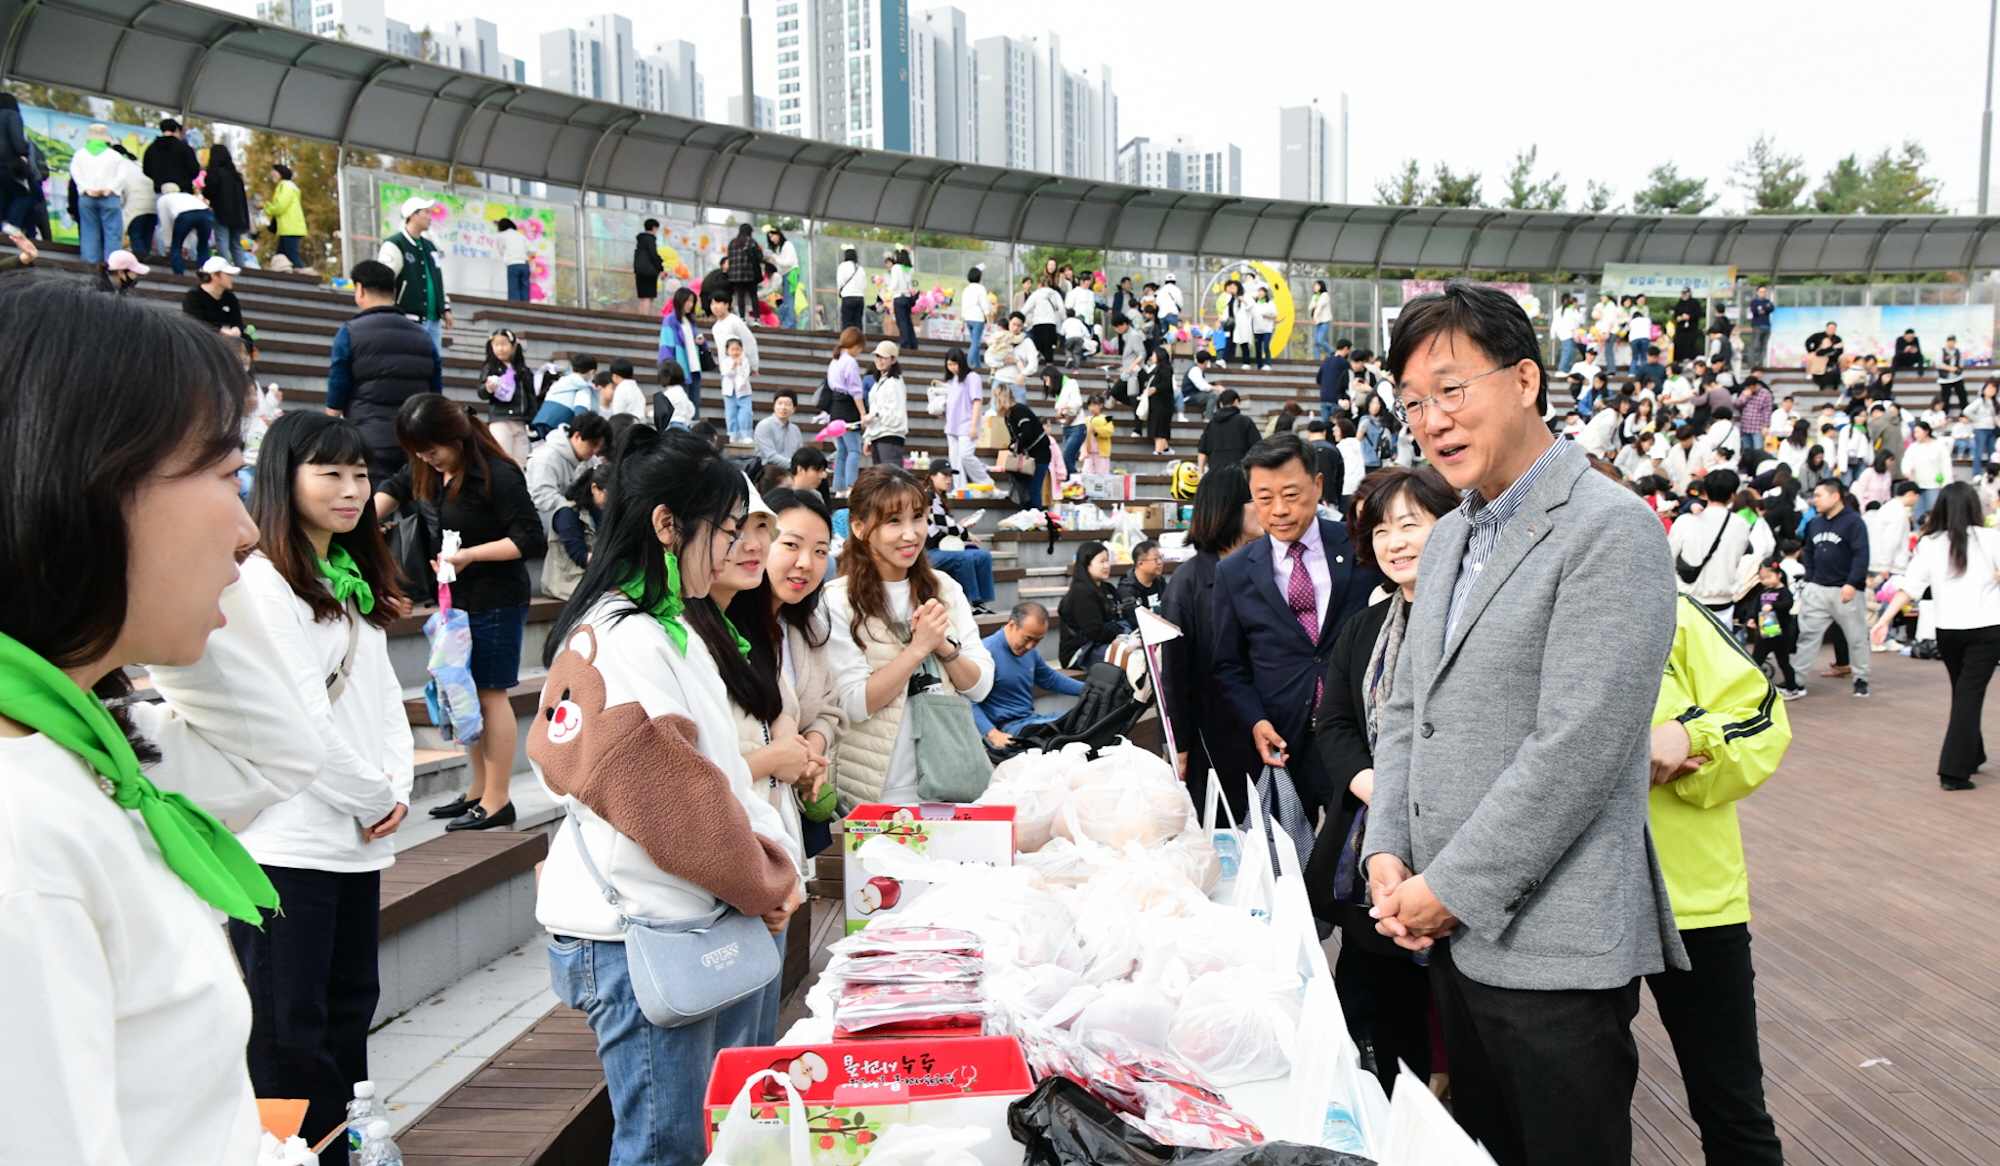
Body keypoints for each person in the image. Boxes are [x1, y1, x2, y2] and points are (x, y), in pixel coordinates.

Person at [0, 272, 335, 1165]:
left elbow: (273, 747)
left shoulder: (74, 756)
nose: (248, 531)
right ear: (86, 482)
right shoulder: (20, 838)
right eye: (228, 475)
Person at [1364, 280, 1685, 1166]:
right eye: (1414, 402)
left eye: (1453, 390)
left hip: (1552, 948)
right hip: (1454, 940)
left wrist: (1448, 890)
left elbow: (1577, 749)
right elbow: (1406, 710)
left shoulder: (1610, 531)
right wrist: (1386, 847)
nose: (1433, 420)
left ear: (1526, 381)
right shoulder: (1457, 533)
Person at [529, 424, 802, 1166]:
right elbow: (677, 804)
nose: (735, 550)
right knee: (666, 1149)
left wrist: (766, 876)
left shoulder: (659, 623)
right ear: (666, 525)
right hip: (650, 925)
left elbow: (713, 777)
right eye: (726, 531)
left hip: (689, 913)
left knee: (711, 1137)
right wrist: (766, 880)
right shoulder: (626, 633)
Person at [232, 411, 413, 1161]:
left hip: (353, 841)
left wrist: (396, 789)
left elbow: (383, 703)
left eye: (361, 475)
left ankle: (343, 1151)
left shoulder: (349, 577)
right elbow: (303, 724)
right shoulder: (264, 584)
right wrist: (378, 799)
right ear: (285, 477)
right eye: (329, 473)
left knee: (346, 1015)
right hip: (288, 841)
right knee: (287, 1033)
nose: (351, 490)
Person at [1304, 464, 1459, 1097]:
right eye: (1382, 528)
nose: (1395, 541)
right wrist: (1374, 786)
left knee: (1462, 1010)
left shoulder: (1478, 621)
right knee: (1388, 1013)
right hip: (1374, 848)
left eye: (1411, 524)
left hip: (1455, 847)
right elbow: (1334, 721)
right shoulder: (1367, 627)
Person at [1646, 590, 1791, 1166]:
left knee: (1730, 1105)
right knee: (1582, 1110)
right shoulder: (1499, 597)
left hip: (1694, 899)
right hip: (1564, 903)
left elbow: (1761, 718)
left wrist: (1690, 734)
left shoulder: (1668, 608)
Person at [373, 395, 545, 831]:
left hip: (495, 598)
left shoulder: (497, 474)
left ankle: (498, 798)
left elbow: (529, 538)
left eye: (432, 449)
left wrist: (470, 556)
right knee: (463, 694)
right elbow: (390, 491)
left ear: (456, 436)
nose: (424, 458)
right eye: (418, 451)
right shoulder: (428, 468)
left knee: (490, 694)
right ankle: (477, 790)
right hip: (455, 600)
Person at [1212, 433, 1381, 822]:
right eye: (1264, 498)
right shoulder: (1234, 573)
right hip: (1283, 739)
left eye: (1291, 494)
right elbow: (1229, 665)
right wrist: (1256, 721)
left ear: (1318, 485)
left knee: (1355, 860)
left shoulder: (1361, 550)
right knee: (1289, 863)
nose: (1279, 510)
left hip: (1357, 737)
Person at [822, 466, 995, 809]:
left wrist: (942, 646)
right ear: (859, 528)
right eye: (893, 521)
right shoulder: (836, 600)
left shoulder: (945, 588)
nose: (911, 534)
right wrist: (917, 649)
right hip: (875, 790)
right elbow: (856, 703)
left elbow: (980, 685)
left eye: (918, 517)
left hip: (949, 782)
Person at [1871, 481, 2000, 789]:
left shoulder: (1929, 543)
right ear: (1973, 507)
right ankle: (1953, 771)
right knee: (1968, 695)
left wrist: (1884, 619)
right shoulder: (1990, 538)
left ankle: (1973, 754)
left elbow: (1910, 588)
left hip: (1948, 632)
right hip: (1986, 630)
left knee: (1964, 693)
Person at [755, 487, 848, 858]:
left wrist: (813, 750)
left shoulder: (806, 628)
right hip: (750, 819)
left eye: (821, 551)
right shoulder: (725, 632)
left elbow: (829, 707)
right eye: (791, 545)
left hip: (797, 817)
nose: (806, 563)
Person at [325, 260, 443, 484]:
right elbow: (435, 391)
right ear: (394, 292)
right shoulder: (422, 335)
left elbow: (338, 383)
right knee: (417, 509)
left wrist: (330, 426)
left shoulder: (350, 332)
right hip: (415, 439)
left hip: (369, 436)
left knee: (376, 510)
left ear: (359, 289)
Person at [1790, 479, 1872, 699]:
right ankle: (1796, 681)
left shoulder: (1854, 522)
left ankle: (1861, 678)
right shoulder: (1815, 523)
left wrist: (1852, 583)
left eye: (1819, 495)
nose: (1814, 500)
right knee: (1807, 635)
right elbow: (1808, 552)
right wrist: (1811, 579)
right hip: (1818, 588)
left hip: (1845, 590)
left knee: (1856, 637)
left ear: (1835, 496)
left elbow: (1861, 555)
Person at [974, 602, 1084, 747]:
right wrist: (993, 734)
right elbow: (968, 700)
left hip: (1031, 720)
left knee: (1085, 720)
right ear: (1012, 625)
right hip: (1009, 728)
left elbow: (1051, 679)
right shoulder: (985, 652)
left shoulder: (1029, 652)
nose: (1030, 646)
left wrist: (1091, 689)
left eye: (1037, 641)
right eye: (1027, 638)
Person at [376, 196, 452, 352]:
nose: (430, 218)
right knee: (410, 360)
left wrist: (445, 308)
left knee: (433, 365)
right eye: (426, 213)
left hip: (434, 319)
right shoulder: (395, 243)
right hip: (408, 317)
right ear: (413, 215)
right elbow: (384, 279)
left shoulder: (430, 246)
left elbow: (437, 279)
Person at [923, 459, 996, 613]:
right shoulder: (929, 496)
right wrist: (965, 532)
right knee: (966, 558)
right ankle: (968, 603)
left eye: (950, 476)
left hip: (942, 548)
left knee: (983, 556)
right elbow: (943, 525)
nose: (948, 479)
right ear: (932, 476)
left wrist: (961, 527)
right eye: (944, 475)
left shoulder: (940, 497)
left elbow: (944, 525)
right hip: (928, 552)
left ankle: (980, 603)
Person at [1057, 541, 1126, 669]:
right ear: (1086, 565)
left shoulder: (1108, 588)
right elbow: (1095, 632)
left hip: (1103, 645)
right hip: (1080, 652)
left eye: (1108, 560)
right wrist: (1121, 630)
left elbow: (1121, 616)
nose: (1107, 565)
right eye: (1101, 561)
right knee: (1132, 658)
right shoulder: (1081, 592)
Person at [67, 123, 127, 265]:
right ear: (107, 139)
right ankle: (112, 267)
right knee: (112, 233)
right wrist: (110, 189)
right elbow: (122, 176)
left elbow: (75, 174)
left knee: (89, 232)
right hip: (109, 198)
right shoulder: (115, 155)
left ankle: (90, 267)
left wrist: (87, 188)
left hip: (87, 197)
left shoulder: (79, 154)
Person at [543, 465, 604, 601]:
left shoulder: (599, 510)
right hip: (568, 579)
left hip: (594, 575)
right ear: (594, 488)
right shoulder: (567, 512)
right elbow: (579, 555)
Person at [475, 328, 534, 465]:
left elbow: (530, 395)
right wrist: (488, 388)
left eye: (504, 344)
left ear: (513, 346)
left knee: (521, 459)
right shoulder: (491, 368)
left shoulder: (522, 370)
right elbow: (481, 392)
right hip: (500, 419)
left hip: (520, 420)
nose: (500, 349)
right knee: (503, 455)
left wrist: (532, 419)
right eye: (496, 345)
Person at [994, 380, 1050, 509]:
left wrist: (1016, 446)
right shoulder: (1009, 415)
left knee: (1033, 489)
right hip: (1029, 456)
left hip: (1038, 455)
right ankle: (1026, 517)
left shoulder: (1018, 410)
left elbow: (1027, 433)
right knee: (1024, 490)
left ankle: (1036, 518)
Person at [941, 348, 990, 486]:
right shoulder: (952, 380)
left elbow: (977, 401)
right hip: (952, 424)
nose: (952, 368)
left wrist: (974, 425)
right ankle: (959, 488)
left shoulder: (972, 377)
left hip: (967, 424)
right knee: (955, 459)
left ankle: (985, 481)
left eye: (955, 364)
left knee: (966, 455)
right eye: (949, 365)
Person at [826, 327, 867, 492]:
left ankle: (839, 487)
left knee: (842, 450)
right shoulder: (850, 362)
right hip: (848, 408)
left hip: (835, 406)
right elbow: (856, 390)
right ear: (856, 345)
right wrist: (863, 412)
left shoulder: (835, 360)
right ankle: (851, 486)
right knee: (854, 449)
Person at [657, 286, 706, 415]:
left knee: (694, 403)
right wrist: (669, 368)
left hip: (693, 367)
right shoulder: (670, 320)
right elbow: (666, 345)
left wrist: (701, 342)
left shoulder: (690, 321)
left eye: (692, 301)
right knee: (681, 405)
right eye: (687, 301)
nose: (690, 305)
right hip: (680, 369)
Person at [863, 340, 909, 468]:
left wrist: (876, 415)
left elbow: (896, 414)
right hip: (877, 435)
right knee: (880, 479)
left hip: (890, 435)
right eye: (877, 356)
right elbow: (875, 408)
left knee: (891, 478)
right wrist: (868, 437)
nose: (879, 360)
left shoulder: (895, 382)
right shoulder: (879, 382)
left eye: (884, 357)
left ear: (893, 359)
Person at [1196, 388, 1263, 474]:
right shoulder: (1245, 421)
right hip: (1239, 473)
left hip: (1215, 473)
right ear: (1236, 402)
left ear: (1221, 404)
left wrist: (1200, 473)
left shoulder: (1211, 424)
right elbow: (1257, 449)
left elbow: (1202, 451)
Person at [155, 183, 216, 276]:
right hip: (206, 214)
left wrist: (168, 244)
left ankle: (179, 275)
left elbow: (165, 224)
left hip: (185, 216)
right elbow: (192, 228)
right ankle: (204, 276)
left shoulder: (163, 199)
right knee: (203, 248)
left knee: (176, 247)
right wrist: (186, 246)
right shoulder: (187, 196)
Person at [1903, 419, 1953, 521]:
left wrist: (1946, 483)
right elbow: (1906, 461)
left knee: (1933, 511)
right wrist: (1907, 472)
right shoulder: (1913, 447)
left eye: (1918, 432)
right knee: (1918, 512)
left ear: (1926, 432)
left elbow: (1946, 465)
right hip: (1917, 484)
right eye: (1914, 432)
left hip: (1934, 485)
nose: (1915, 435)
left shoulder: (1939, 445)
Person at [182, 255, 245, 334]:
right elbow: (195, 324)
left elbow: (237, 321)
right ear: (214, 275)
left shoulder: (230, 297)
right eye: (228, 274)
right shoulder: (194, 296)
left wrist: (236, 330)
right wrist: (222, 332)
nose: (231, 278)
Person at [141, 116, 201, 193]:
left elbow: (146, 170)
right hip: (182, 191)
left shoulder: (151, 149)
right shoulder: (184, 148)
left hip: (160, 191)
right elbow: (194, 170)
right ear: (177, 130)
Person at [266, 163, 307, 271]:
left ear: (280, 173)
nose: (272, 175)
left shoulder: (285, 186)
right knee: (280, 256)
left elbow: (280, 206)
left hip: (290, 227)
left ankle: (303, 276)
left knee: (290, 255)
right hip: (288, 227)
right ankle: (289, 274)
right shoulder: (287, 186)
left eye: (274, 172)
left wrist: (266, 206)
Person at [723, 222, 765, 323]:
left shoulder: (732, 243)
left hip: (736, 276)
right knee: (753, 296)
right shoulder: (751, 242)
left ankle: (742, 318)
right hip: (750, 275)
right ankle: (757, 319)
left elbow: (730, 259)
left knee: (740, 297)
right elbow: (760, 257)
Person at [1115, 538, 1168, 617]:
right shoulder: (1127, 590)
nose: (1160, 562)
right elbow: (1133, 622)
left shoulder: (1160, 582)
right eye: (1155, 559)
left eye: (1161, 557)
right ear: (1141, 564)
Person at [755, 389, 804, 471]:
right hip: (769, 470)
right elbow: (770, 456)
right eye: (779, 403)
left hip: (792, 470)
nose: (783, 407)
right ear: (774, 406)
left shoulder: (795, 430)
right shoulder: (764, 426)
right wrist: (794, 465)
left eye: (788, 404)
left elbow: (800, 453)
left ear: (794, 408)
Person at [1024, 274, 1064, 366]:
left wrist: (1019, 317)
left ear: (1039, 283)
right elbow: (1061, 308)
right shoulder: (1055, 294)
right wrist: (1063, 319)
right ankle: (1049, 364)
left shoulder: (1036, 294)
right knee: (1049, 345)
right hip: (1051, 322)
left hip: (1038, 322)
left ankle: (1036, 361)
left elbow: (1026, 308)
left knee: (1038, 343)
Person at [882, 247, 918, 351]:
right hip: (907, 297)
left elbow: (895, 283)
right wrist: (911, 253)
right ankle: (913, 344)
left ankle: (905, 344)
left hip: (899, 297)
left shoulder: (896, 267)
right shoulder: (908, 269)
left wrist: (888, 289)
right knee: (908, 322)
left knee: (901, 322)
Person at [1143, 344, 1176, 454]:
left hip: (1163, 404)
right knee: (1155, 426)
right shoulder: (1156, 369)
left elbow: (1166, 385)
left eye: (1154, 355)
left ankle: (1158, 451)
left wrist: (1155, 388)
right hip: (1157, 403)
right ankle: (1166, 449)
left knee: (1159, 427)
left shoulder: (1166, 369)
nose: (1152, 357)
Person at [1318, 338, 1353, 422]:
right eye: (1349, 350)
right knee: (1337, 424)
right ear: (1345, 348)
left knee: (1325, 425)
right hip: (1336, 398)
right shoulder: (1344, 363)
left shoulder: (1326, 360)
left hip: (1324, 397)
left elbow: (1318, 379)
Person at [496, 217, 530, 302]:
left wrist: (506, 256)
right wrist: (525, 255)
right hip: (524, 264)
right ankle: (527, 308)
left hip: (512, 263)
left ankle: (515, 309)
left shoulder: (502, 235)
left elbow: (501, 250)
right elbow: (532, 249)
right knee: (524, 288)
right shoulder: (521, 235)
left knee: (514, 288)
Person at [633, 218, 663, 315]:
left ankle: (640, 317)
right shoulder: (650, 239)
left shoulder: (640, 240)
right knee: (648, 296)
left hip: (640, 272)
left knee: (643, 297)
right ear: (654, 228)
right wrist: (660, 269)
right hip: (649, 272)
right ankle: (645, 319)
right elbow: (653, 255)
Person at [961, 266, 990, 365]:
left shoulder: (966, 290)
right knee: (975, 343)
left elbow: (963, 306)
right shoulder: (980, 288)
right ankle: (968, 365)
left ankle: (977, 365)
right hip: (978, 318)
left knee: (975, 343)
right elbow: (985, 305)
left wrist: (963, 322)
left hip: (968, 319)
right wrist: (988, 320)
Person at [836, 246, 867, 332]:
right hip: (860, 297)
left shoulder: (843, 266)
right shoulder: (860, 268)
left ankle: (848, 342)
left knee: (847, 323)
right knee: (858, 322)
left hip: (848, 296)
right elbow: (864, 285)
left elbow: (840, 282)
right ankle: (859, 342)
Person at [1745, 285, 1775, 369]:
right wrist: (1764, 309)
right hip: (1757, 325)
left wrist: (1762, 309)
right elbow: (1755, 310)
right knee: (1754, 345)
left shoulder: (1768, 301)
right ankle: (1752, 364)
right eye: (1761, 292)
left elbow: (1771, 308)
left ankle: (1761, 363)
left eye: (1764, 292)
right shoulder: (1754, 302)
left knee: (1764, 346)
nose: (1763, 293)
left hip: (1767, 326)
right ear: (1757, 292)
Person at [1938, 334, 1968, 412]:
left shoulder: (1957, 351)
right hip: (1945, 379)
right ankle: (1944, 413)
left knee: (1963, 396)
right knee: (1945, 398)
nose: (1951, 343)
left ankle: (1965, 412)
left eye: (1952, 341)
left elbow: (1961, 362)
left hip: (1957, 377)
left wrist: (1959, 368)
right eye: (1949, 341)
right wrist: (1950, 368)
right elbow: (1938, 364)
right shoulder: (1942, 351)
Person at [1251, 286, 1278, 369]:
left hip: (1267, 329)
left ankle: (1268, 364)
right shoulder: (1254, 303)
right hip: (1257, 329)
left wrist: (1267, 316)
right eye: (1259, 291)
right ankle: (1260, 365)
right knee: (1258, 348)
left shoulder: (1270, 304)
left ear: (1265, 293)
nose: (1260, 293)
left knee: (1266, 346)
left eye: (1262, 291)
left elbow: (1275, 315)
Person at [1310, 280, 1335, 360]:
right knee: (1315, 342)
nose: (1315, 287)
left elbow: (1320, 306)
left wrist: (1316, 313)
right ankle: (1317, 358)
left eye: (1317, 286)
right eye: (1315, 286)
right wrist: (1315, 305)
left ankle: (1331, 352)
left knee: (1320, 339)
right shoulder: (1315, 296)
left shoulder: (1325, 295)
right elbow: (1310, 306)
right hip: (1317, 321)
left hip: (1324, 320)